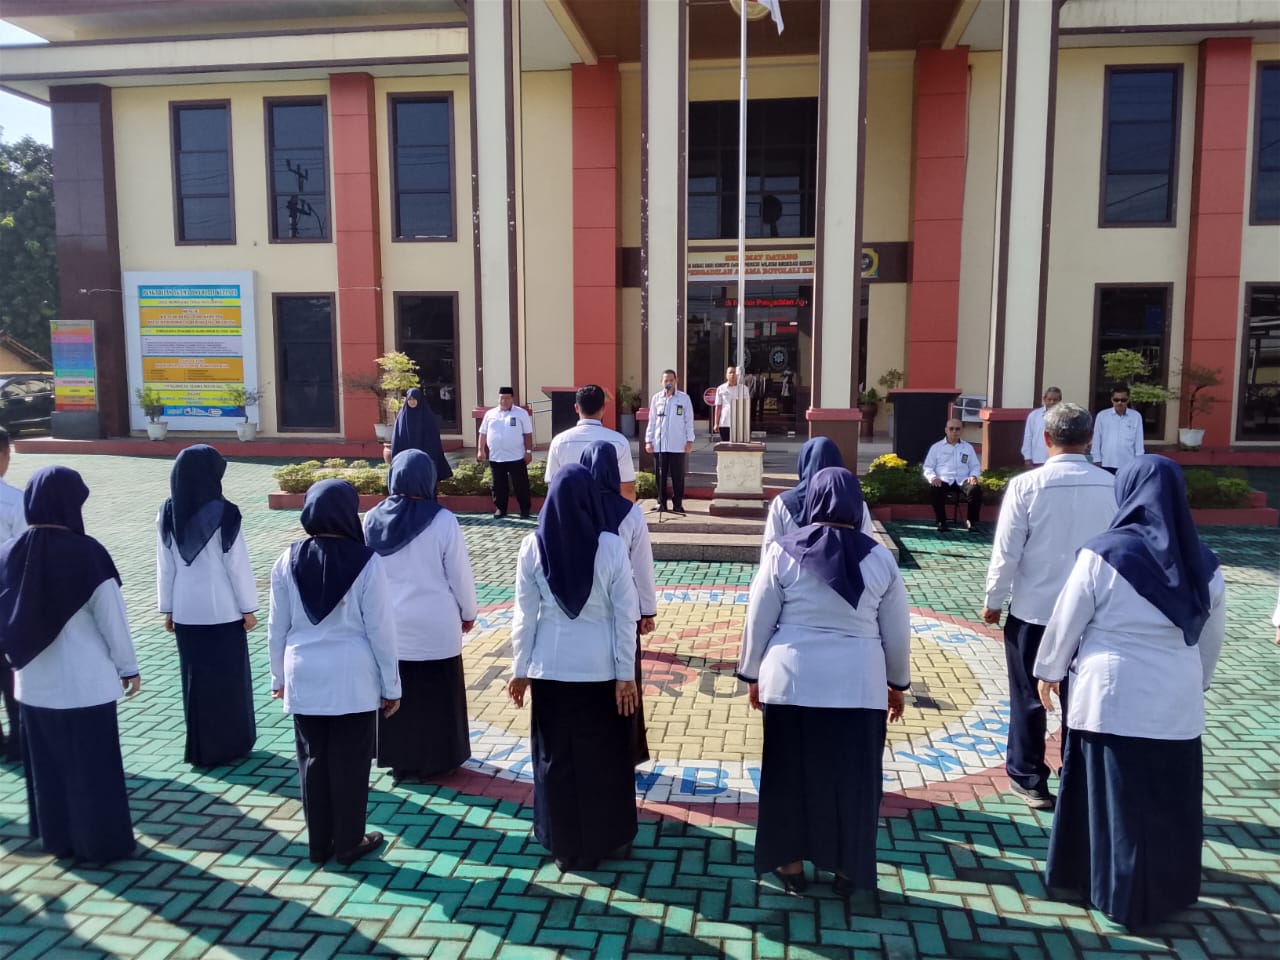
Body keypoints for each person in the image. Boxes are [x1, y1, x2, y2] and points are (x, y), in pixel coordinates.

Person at [1035, 455, 1225, 928]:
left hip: (1111, 697)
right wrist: (1195, 683)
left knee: (1115, 801)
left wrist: (1049, 670)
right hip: (1175, 702)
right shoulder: (1205, 564)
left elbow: (1067, 621)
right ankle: (1168, 891)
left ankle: (1112, 889)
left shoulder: (1103, 554)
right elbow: (1210, 639)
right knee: (1168, 802)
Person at [738, 467, 910, 900]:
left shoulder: (782, 552)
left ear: (812, 500)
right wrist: (897, 683)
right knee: (853, 782)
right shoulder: (880, 558)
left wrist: (752, 673)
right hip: (859, 687)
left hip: (792, 683)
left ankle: (790, 864)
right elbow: (897, 632)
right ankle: (848, 869)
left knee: (789, 777)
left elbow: (758, 619)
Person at [980, 403, 1117, 810]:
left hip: (1034, 612)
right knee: (1083, 700)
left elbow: (1007, 552)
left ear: (1045, 438)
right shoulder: (1112, 485)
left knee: (1028, 696)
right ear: (1090, 439)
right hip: (1093, 615)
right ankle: (1077, 775)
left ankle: (1028, 777)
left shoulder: (1027, 486)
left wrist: (993, 600)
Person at [0, 466, 140, 862]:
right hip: (86, 684)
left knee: (49, 769)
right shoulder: (88, 553)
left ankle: (58, 840)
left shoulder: (8, 553)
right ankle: (101, 844)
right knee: (93, 769)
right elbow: (112, 618)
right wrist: (128, 667)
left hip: (32, 685)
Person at [507, 464, 640, 872]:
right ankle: (607, 840)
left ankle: (564, 846)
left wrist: (520, 669)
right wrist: (626, 674)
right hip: (601, 672)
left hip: (550, 671)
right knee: (604, 757)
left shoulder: (532, 546)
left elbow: (524, 616)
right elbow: (626, 617)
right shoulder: (611, 546)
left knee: (556, 759)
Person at [268, 480, 402, 866]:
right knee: (350, 762)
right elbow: (381, 631)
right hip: (352, 678)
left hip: (303, 673)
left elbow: (277, 627)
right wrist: (391, 686)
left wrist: (278, 677)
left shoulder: (286, 559)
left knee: (312, 760)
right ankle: (348, 842)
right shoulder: (367, 561)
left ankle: (318, 844)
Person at [363, 450, 477, 782]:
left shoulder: (371, 519)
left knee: (396, 691)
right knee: (437, 695)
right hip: (436, 625)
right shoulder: (443, 520)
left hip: (389, 624)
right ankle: (441, 761)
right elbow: (459, 574)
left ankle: (400, 759)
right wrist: (468, 612)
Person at [156, 444, 259, 768]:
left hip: (186, 610)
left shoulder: (168, 511)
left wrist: (168, 607)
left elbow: (165, 565)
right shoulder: (227, 513)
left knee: (196, 680)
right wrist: (248, 608)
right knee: (229, 680)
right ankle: (233, 744)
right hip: (224, 610)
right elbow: (236, 566)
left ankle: (201, 748)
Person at [580, 441, 657, 765]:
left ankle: (590, 750)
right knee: (625, 676)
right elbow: (642, 566)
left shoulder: (574, 507)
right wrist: (647, 610)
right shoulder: (631, 512)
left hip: (582, 605)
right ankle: (626, 751)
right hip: (624, 609)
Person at [761, 438, 874, 562]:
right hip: (847, 572)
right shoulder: (857, 504)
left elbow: (770, 547)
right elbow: (867, 547)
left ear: (804, 463)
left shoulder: (783, 502)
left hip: (792, 572)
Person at [543, 384, 637, 500]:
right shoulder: (619, 441)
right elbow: (628, 488)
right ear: (603, 408)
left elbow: (553, 486)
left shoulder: (559, 441)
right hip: (608, 509)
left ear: (576, 408)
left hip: (571, 508)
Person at [0, 427, 27, 764]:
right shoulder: (15, 501)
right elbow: (25, 555)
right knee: (12, 672)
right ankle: (20, 741)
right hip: (6, 598)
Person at [478, 386, 534, 519]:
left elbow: (528, 434)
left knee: (520, 485)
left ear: (512, 398)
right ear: (498, 398)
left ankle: (524, 509)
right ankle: (500, 509)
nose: (504, 401)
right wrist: (480, 450)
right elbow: (483, 433)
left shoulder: (521, 413)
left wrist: (528, 451)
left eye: (507, 398)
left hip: (517, 456)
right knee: (498, 485)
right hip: (496, 457)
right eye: (501, 398)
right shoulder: (490, 414)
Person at [644, 369, 695, 514]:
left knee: (678, 476)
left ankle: (678, 504)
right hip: (660, 444)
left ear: (676, 381)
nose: (669, 383)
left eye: (671, 380)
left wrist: (690, 440)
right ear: (662, 382)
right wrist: (648, 440)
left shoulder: (684, 399)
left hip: (677, 444)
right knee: (660, 475)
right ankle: (661, 503)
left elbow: (689, 421)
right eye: (666, 380)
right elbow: (652, 421)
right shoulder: (657, 399)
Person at [922, 419, 983, 531]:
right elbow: (928, 467)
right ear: (946, 430)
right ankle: (941, 521)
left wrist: (973, 476)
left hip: (963, 480)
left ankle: (971, 521)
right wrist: (933, 478)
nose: (954, 431)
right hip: (943, 480)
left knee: (975, 490)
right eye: (951, 429)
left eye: (957, 429)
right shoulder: (936, 447)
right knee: (935, 490)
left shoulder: (968, 447)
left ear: (961, 431)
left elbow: (975, 466)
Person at [389, 386, 453, 482]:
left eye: (414, 399)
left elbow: (433, 438)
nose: (412, 401)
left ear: (419, 399)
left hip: (425, 455)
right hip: (407, 457)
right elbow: (397, 437)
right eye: (410, 399)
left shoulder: (427, 415)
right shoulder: (402, 416)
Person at [1092, 384, 1145, 474]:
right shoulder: (1102, 416)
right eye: (1116, 400)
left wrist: (1139, 461)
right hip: (1106, 462)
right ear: (1112, 400)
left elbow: (1139, 441)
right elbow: (1097, 439)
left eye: (1123, 400)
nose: (1119, 403)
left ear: (1128, 400)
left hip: (1128, 463)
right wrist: (1096, 459)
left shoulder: (1136, 416)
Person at [1021, 386, 1062, 466]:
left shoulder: (1064, 416)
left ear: (1059, 401)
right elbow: (1028, 436)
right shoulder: (1034, 415)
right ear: (1044, 399)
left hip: (1057, 459)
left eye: (1055, 400)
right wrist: (1027, 457)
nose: (1052, 402)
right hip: (1038, 458)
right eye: (1049, 399)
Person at [713, 366, 750, 442]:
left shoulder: (744, 389)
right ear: (726, 375)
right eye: (730, 372)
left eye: (734, 372)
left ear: (738, 375)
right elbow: (718, 407)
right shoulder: (721, 389)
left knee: (738, 446)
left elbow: (747, 407)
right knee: (725, 446)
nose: (732, 374)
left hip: (739, 424)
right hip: (725, 422)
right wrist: (716, 423)